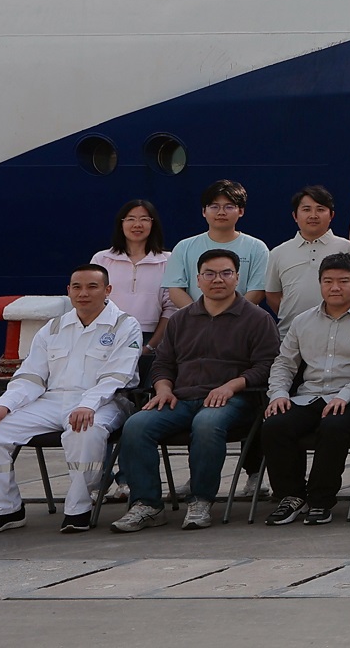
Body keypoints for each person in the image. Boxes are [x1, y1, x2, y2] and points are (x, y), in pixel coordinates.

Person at [112, 248, 279, 533]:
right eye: (209, 274)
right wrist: (163, 389)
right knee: (137, 425)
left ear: (237, 278)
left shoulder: (257, 319)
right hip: (181, 399)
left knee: (207, 423)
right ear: (198, 280)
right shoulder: (181, 319)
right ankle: (147, 505)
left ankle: (200, 500)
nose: (218, 280)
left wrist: (231, 386)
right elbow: (163, 364)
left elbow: (267, 366)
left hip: (236, 401)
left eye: (226, 273)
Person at [0, 264, 141, 535]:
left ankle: (79, 507)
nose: (83, 293)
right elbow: (31, 376)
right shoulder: (54, 327)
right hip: (52, 401)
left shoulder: (125, 325)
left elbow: (117, 376)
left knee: (84, 430)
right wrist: (4, 405)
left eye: (92, 287)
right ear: (68, 290)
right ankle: (3, 509)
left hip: (106, 401)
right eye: (77, 287)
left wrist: (87, 404)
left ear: (107, 290)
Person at [259, 253, 350, 525]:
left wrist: (346, 394)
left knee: (333, 426)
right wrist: (279, 394)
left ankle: (320, 500)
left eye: (344, 281)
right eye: (328, 281)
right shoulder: (302, 321)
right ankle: (292, 496)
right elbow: (284, 363)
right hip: (309, 397)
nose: (335, 287)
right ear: (319, 283)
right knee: (275, 424)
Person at [265, 185, 350, 324]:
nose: (313, 215)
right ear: (295, 216)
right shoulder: (278, 252)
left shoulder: (348, 248)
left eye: (320, 209)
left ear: (331, 215)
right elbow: (272, 295)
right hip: (290, 332)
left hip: (340, 330)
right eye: (306, 209)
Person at [164, 180, 269, 311]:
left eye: (229, 207)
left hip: (242, 319)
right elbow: (175, 290)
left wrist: (232, 316)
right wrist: (199, 315)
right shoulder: (184, 247)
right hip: (195, 319)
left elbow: (258, 290)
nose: (221, 212)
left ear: (241, 211)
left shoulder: (257, 248)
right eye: (214, 207)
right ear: (204, 211)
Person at [93, 200, 178, 350]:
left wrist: (150, 346)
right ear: (121, 224)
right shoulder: (102, 259)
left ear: (153, 224)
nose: (137, 224)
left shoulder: (168, 260)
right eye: (131, 219)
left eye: (144, 219)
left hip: (150, 337)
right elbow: (92, 300)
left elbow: (171, 308)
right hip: (106, 335)